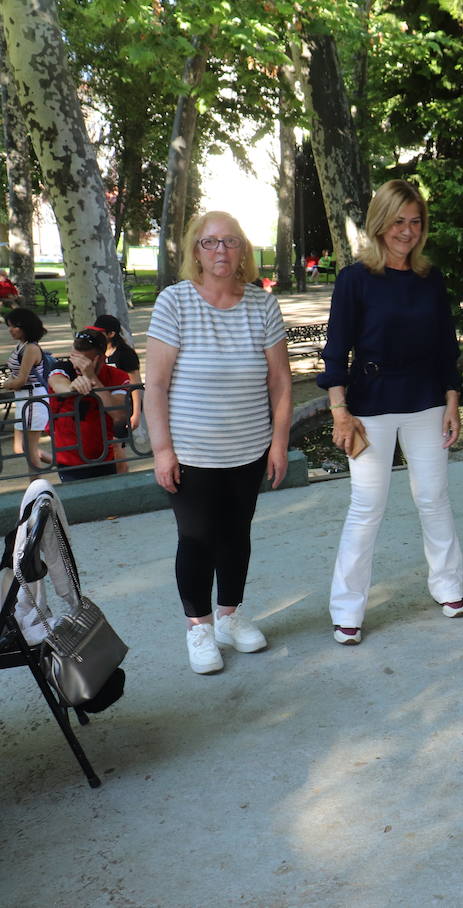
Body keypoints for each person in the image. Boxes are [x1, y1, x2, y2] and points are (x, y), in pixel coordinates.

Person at [318, 179, 463, 645]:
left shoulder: (430, 278)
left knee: (434, 497)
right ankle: (347, 609)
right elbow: (335, 352)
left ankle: (449, 587)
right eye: (399, 221)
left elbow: (446, 347)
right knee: (366, 506)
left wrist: (452, 402)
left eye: (415, 222)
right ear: (380, 223)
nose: (407, 230)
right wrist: (340, 413)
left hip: (425, 401)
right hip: (369, 407)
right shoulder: (354, 279)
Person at [145, 210, 292, 675]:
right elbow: (156, 386)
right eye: (210, 243)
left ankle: (229, 617)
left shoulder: (261, 305)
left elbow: (281, 383)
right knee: (196, 538)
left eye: (230, 241)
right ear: (196, 252)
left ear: (243, 249)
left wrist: (279, 443)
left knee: (236, 535)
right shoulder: (175, 303)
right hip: (191, 454)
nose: (221, 251)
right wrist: (162, 450)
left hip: (248, 449)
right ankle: (199, 627)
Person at [45, 328, 131, 481]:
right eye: (75, 359)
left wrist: (92, 378)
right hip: (70, 461)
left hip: (105, 457)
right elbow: (58, 384)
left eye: (85, 363)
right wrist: (72, 387)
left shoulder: (117, 376)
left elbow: (119, 416)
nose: (79, 367)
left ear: (101, 359)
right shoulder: (63, 368)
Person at [2, 307, 51, 470]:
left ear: (25, 327)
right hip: (24, 399)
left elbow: (20, 381)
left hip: (33, 400)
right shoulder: (21, 346)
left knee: (30, 452)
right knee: (21, 448)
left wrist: (6, 384)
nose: (10, 330)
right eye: (9, 325)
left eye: (14, 326)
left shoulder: (31, 348)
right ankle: (63, 462)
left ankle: (36, 486)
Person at [93, 313, 142, 471]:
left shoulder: (125, 354)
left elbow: (135, 384)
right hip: (101, 409)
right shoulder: (95, 353)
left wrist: (136, 413)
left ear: (111, 334)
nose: (96, 333)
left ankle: (122, 478)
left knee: (116, 446)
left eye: (100, 331)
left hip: (121, 409)